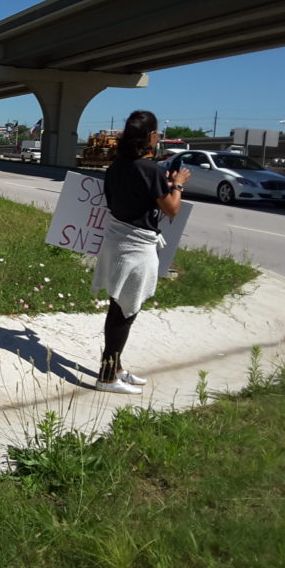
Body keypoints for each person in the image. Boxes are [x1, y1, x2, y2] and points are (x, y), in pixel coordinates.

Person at [91, 110, 191, 394]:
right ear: (150, 136)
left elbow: (132, 198)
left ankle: (116, 367)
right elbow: (170, 209)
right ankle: (107, 376)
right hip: (137, 246)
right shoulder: (150, 169)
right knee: (125, 310)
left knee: (119, 304)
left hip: (116, 242)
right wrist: (179, 185)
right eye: (157, 133)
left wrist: (167, 186)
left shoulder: (116, 167)